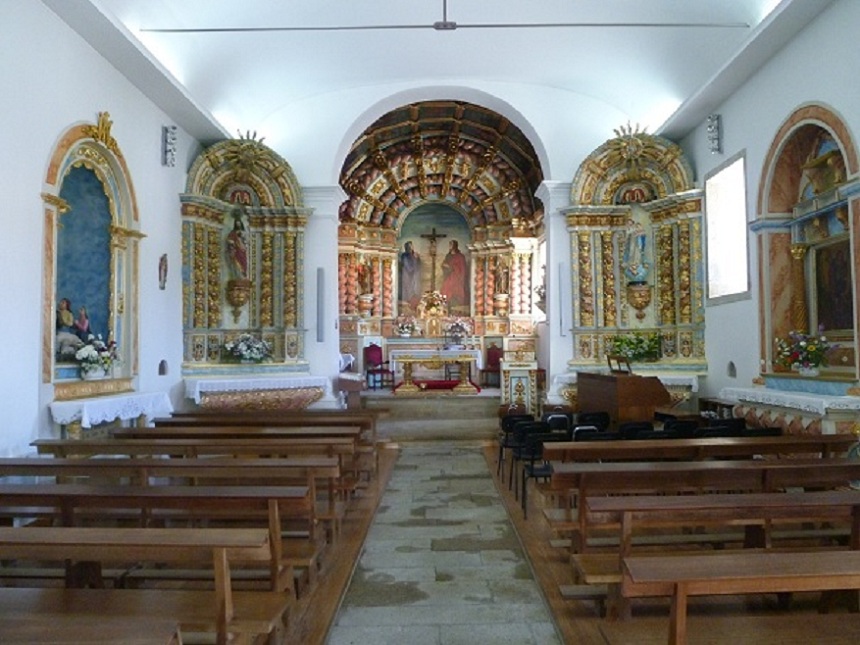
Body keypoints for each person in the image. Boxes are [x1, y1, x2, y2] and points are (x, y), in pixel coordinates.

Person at [440, 239, 468, 307]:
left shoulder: (460, 256)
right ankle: (445, 305)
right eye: (449, 244)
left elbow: (462, 268)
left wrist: (450, 266)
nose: (449, 246)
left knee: (455, 290)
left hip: (457, 277)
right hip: (449, 276)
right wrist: (444, 266)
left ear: (454, 246)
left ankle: (457, 305)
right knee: (445, 289)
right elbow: (444, 264)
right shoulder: (448, 256)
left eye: (451, 244)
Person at [398, 240, 422, 309]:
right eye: (410, 246)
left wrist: (418, 258)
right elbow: (409, 268)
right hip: (407, 276)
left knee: (415, 289)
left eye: (412, 246)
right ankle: (407, 305)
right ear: (407, 247)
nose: (412, 247)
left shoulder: (414, 255)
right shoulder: (404, 256)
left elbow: (419, 265)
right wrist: (415, 259)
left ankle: (414, 305)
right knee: (408, 290)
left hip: (414, 276)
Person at [225, 215, 249, 280]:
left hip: (242, 251)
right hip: (236, 252)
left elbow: (246, 242)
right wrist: (232, 244)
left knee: (243, 263)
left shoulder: (243, 233)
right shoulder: (232, 233)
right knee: (236, 264)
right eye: (237, 224)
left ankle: (243, 275)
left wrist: (242, 239)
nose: (238, 225)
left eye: (239, 224)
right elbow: (230, 241)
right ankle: (238, 276)